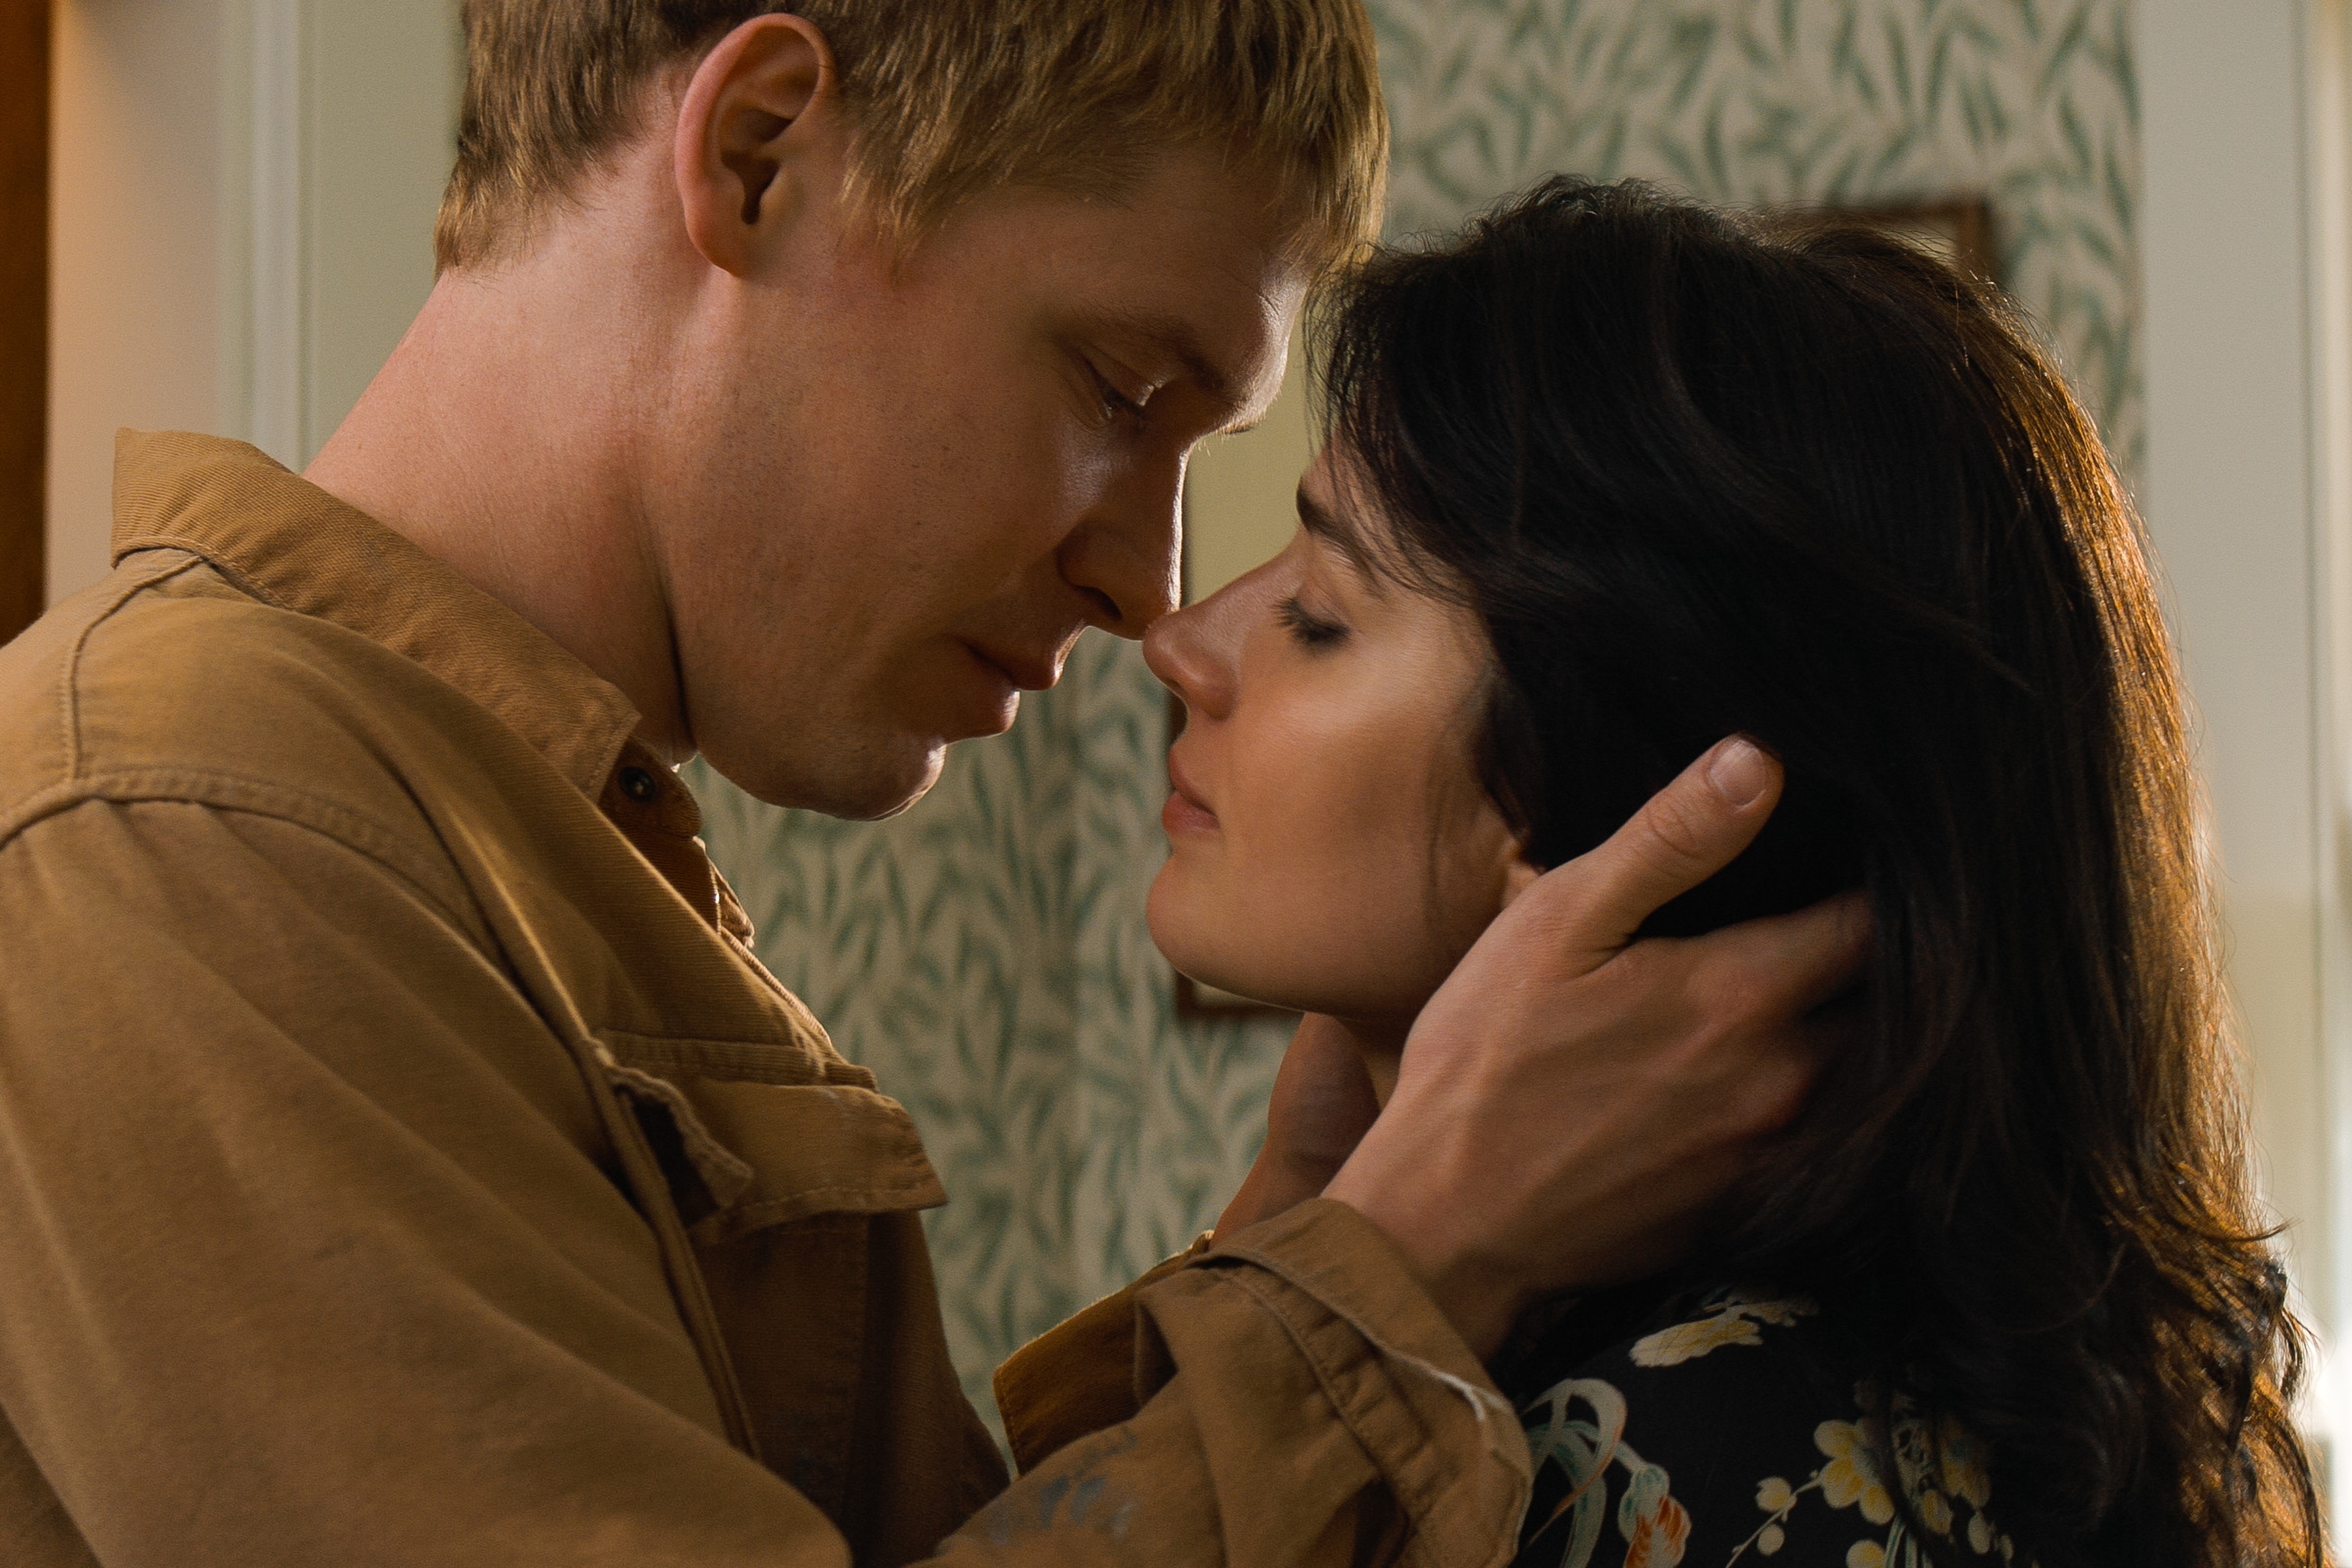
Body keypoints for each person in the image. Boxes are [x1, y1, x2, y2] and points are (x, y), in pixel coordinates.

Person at [0, 8, 1862, 1568]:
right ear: (759, 154)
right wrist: (1414, 1263)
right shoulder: (185, 828)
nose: (1150, 589)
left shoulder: (534, 848)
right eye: (1119, 390)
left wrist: (1300, 1256)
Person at [1142, 178, 2325, 1568]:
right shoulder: (1646, 1386)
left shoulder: (1681, 1462)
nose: (1184, 643)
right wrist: (1310, 1232)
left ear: (1623, 795)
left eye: (1316, 615)